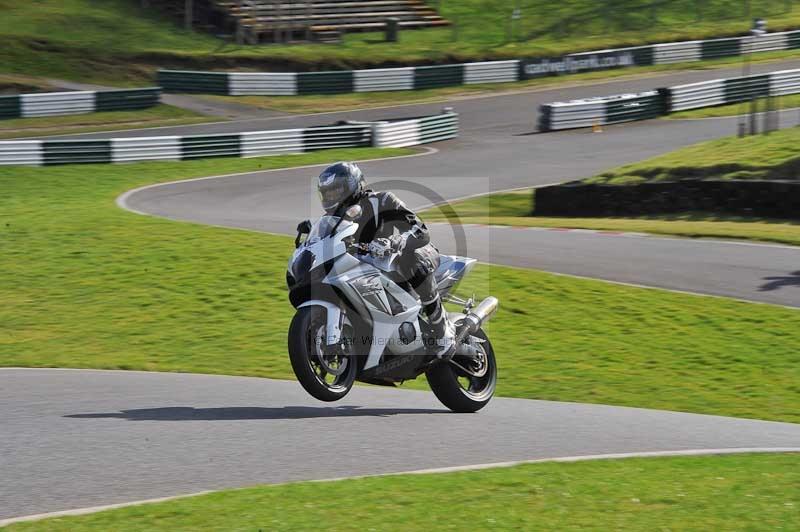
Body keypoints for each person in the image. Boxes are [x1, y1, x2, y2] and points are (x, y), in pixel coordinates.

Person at [316, 161, 455, 358]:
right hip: (369, 272)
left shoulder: (382, 200)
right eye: (327, 193)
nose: (331, 197)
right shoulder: (332, 222)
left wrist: (398, 240)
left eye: (336, 191)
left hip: (406, 257)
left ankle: (442, 331)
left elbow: (420, 230)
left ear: (351, 185)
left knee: (411, 259)